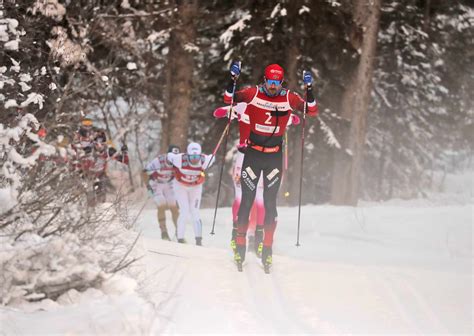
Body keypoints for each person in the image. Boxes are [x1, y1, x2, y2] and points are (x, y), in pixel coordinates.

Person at [223, 62, 318, 271]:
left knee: (269, 204)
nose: (273, 86)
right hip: (253, 156)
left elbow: (311, 110)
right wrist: (232, 79)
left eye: (277, 82)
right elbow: (228, 99)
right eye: (270, 82)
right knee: (247, 201)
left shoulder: (288, 97)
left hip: (274, 159)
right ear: (264, 80)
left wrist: (309, 89)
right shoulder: (254, 93)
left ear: (281, 82)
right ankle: (240, 246)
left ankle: (266, 249)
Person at [167, 142, 215, 246]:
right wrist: (170, 156)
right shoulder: (180, 159)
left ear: (200, 155)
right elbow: (170, 156)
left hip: (196, 187)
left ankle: (198, 240)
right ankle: (180, 238)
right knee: (184, 210)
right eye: (192, 156)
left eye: (196, 156)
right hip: (180, 186)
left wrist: (212, 157)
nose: (194, 159)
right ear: (187, 155)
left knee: (195, 211)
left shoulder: (204, 160)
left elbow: (212, 158)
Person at [144, 145, 181, 241]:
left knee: (174, 207)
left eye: (176, 157)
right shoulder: (159, 161)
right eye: (172, 156)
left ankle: (179, 232)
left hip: (168, 184)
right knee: (162, 205)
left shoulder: (179, 162)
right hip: (156, 184)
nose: (174, 159)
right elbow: (144, 172)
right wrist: (148, 187)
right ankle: (164, 232)